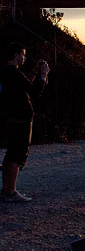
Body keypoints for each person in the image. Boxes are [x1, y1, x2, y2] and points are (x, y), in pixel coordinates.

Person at [0, 42, 49, 202]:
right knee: (17, 155)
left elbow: (25, 86)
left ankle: (6, 190)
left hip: (11, 117)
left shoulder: (7, 73)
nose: (24, 57)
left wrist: (34, 72)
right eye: (23, 54)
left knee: (10, 154)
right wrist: (43, 75)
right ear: (15, 55)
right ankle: (11, 191)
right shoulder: (14, 73)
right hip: (21, 119)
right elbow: (35, 92)